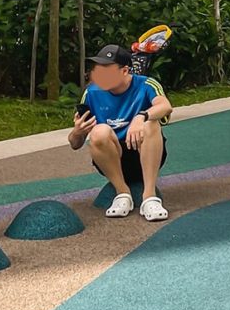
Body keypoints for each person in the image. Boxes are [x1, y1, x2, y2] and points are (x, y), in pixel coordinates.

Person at [69, 44, 173, 222]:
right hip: (113, 158)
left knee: (151, 124)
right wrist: (77, 132)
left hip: (146, 154)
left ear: (125, 71)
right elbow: (74, 143)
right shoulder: (91, 93)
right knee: (99, 132)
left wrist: (141, 117)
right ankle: (122, 193)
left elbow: (165, 106)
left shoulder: (146, 84)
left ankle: (149, 196)